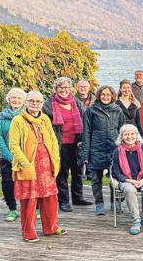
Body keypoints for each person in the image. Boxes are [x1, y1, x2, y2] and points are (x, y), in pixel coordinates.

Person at [8, 91, 67, 242]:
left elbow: (53, 141)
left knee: (50, 197)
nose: (35, 104)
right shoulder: (18, 120)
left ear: (42, 104)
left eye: (38, 102)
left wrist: (56, 159)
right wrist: (25, 163)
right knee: (29, 199)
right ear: (26, 102)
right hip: (27, 165)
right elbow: (13, 145)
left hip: (46, 164)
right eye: (32, 101)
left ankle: (51, 227)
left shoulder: (45, 118)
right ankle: (29, 233)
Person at [42, 77, 91, 212]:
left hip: (76, 142)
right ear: (56, 89)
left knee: (78, 170)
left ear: (70, 89)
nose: (64, 90)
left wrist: (84, 139)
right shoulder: (48, 105)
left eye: (66, 88)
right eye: (61, 87)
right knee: (62, 173)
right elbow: (45, 126)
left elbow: (85, 121)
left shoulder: (77, 103)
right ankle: (63, 201)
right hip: (59, 143)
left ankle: (78, 198)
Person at [82, 85, 125, 215]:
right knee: (96, 179)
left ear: (112, 96)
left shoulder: (118, 110)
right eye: (103, 94)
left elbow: (122, 131)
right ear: (99, 96)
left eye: (108, 94)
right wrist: (86, 153)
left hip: (114, 149)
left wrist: (123, 150)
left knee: (115, 178)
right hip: (96, 149)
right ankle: (99, 203)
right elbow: (86, 133)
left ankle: (115, 202)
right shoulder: (91, 111)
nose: (105, 97)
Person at [111, 124, 143, 235]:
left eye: (132, 134)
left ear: (136, 135)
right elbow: (116, 172)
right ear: (122, 136)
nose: (129, 137)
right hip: (126, 180)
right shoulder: (117, 151)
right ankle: (136, 220)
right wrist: (131, 181)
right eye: (126, 134)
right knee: (130, 190)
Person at [0, 88, 26, 221]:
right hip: (8, 157)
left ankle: (34, 207)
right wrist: (11, 158)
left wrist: (21, 157)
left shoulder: (28, 116)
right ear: (9, 99)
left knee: (29, 182)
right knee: (8, 184)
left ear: (24, 101)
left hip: (26, 156)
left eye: (19, 98)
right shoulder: (0, 117)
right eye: (13, 97)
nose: (16, 100)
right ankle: (12, 210)